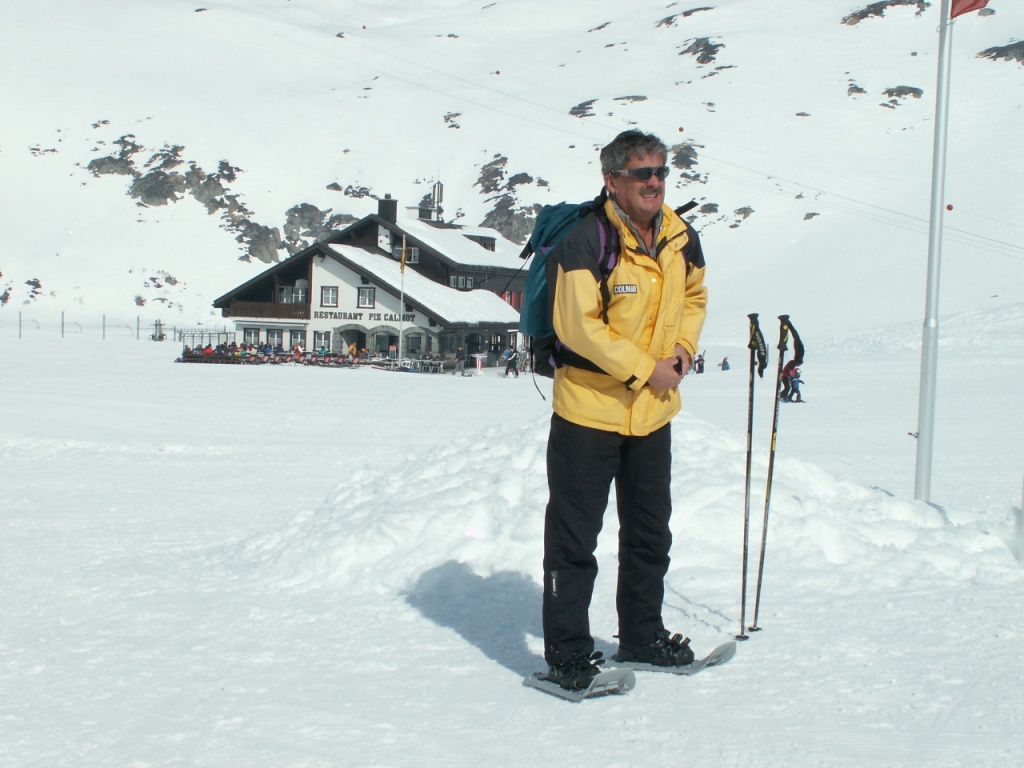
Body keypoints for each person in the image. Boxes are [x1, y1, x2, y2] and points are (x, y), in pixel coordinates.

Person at [540, 129, 708, 691]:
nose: (655, 182)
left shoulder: (681, 237)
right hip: (588, 413)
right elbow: (577, 327)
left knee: (649, 534)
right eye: (642, 173)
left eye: (661, 171)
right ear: (612, 180)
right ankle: (567, 657)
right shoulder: (585, 239)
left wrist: (683, 350)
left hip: (652, 413)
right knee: (573, 542)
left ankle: (641, 637)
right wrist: (645, 368)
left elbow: (694, 297)